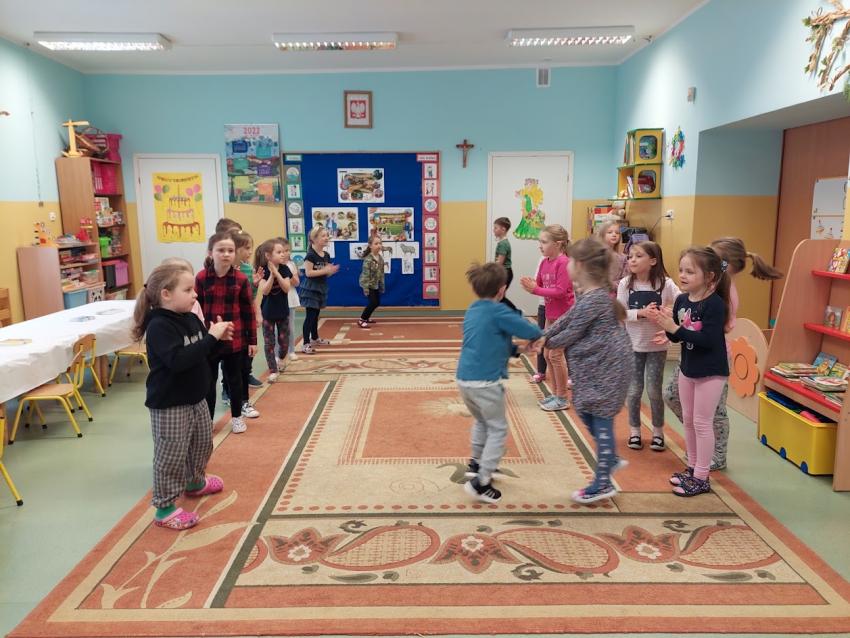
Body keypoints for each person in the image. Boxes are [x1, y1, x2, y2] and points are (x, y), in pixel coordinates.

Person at [662, 237, 783, 470]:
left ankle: (716, 455)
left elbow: (717, 329)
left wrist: (678, 328)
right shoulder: (693, 294)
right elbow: (686, 321)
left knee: (712, 415)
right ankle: (700, 448)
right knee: (677, 400)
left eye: (709, 260)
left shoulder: (720, 295)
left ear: (716, 269)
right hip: (691, 353)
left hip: (712, 359)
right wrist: (671, 325)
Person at [132, 262, 233, 530]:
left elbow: (201, 353)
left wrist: (217, 341)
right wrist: (210, 339)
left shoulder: (190, 318)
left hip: (196, 398)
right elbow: (178, 361)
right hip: (170, 403)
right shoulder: (159, 326)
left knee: (201, 444)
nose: (195, 294)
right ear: (166, 294)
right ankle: (164, 508)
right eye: (187, 290)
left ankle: (194, 481)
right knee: (171, 454)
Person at [543, 239, 633, 504]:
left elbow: (570, 332)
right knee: (584, 408)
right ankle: (611, 458)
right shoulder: (589, 295)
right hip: (597, 366)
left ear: (580, 265)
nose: (567, 264)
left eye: (570, 260)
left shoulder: (595, 299)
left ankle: (602, 483)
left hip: (609, 368)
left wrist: (543, 341)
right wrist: (542, 335)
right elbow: (567, 320)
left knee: (601, 418)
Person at [457, 262, 543, 504]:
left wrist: (518, 350)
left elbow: (489, 340)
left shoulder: (473, 309)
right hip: (486, 383)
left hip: (464, 380)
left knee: (482, 421)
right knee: (498, 428)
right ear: (502, 289)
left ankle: (476, 463)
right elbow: (529, 330)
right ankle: (481, 482)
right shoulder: (499, 311)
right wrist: (539, 337)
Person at [652, 246, 731, 497]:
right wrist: (666, 326)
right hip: (688, 368)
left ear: (709, 276)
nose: (683, 276)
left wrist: (674, 328)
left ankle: (702, 477)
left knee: (702, 423)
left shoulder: (715, 304)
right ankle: (693, 468)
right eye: (681, 270)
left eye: (690, 272)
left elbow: (707, 340)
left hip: (711, 371)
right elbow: (677, 338)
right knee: (688, 420)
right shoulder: (682, 300)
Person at [617, 241, 680, 452]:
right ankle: (635, 431)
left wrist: (670, 314)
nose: (632, 260)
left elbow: (684, 304)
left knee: (654, 391)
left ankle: (658, 433)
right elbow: (619, 313)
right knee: (634, 391)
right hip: (632, 347)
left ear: (653, 261)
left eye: (638, 256)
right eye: (630, 256)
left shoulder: (666, 283)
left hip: (656, 348)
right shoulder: (626, 283)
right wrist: (642, 313)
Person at [195, 231, 259, 433]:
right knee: (209, 381)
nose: (226, 254)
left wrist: (252, 340)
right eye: (220, 250)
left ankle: (237, 417)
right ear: (210, 252)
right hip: (210, 339)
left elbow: (248, 311)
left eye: (230, 250)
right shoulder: (202, 277)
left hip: (235, 338)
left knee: (235, 380)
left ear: (235, 253)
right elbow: (197, 309)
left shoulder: (241, 279)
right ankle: (208, 420)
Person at [519, 224, 575, 411]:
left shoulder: (564, 262)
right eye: (540, 242)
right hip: (551, 315)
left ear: (558, 244)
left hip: (564, 316)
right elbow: (541, 285)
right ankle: (556, 394)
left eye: (544, 242)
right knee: (546, 354)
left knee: (555, 355)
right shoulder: (545, 262)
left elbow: (560, 291)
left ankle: (562, 398)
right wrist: (531, 284)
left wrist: (535, 289)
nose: (540, 246)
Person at [255, 238, 292, 382]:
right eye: (279, 252)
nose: (283, 254)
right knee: (269, 343)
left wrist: (277, 273)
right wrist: (271, 274)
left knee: (284, 342)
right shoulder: (262, 270)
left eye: (283, 251)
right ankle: (273, 370)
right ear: (268, 256)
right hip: (268, 313)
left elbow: (286, 288)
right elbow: (265, 291)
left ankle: (281, 358)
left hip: (282, 312)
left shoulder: (285, 269)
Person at [298, 226, 339, 354]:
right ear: (314, 239)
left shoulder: (326, 255)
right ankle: (305, 343)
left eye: (327, 235)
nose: (326, 238)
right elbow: (309, 273)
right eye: (323, 236)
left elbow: (326, 273)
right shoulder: (310, 255)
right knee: (310, 316)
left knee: (316, 315)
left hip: (320, 287)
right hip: (310, 289)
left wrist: (331, 271)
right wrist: (325, 270)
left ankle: (315, 338)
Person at [358, 235, 385, 328]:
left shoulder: (380, 258)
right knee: (373, 302)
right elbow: (365, 274)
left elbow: (381, 274)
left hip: (375, 284)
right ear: (370, 246)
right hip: (368, 284)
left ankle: (367, 317)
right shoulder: (368, 259)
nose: (379, 245)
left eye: (380, 243)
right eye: (376, 244)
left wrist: (381, 286)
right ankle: (362, 319)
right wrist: (365, 288)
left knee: (377, 302)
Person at [493, 217, 517, 311]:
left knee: (499, 297)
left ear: (503, 229)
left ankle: (515, 312)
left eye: (496, 228)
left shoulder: (503, 244)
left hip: (505, 273)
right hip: (504, 272)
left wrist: (489, 269)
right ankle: (507, 314)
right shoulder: (503, 242)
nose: (493, 230)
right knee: (499, 296)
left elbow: (500, 262)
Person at [596, 219, 627, 287]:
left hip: (616, 290)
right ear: (602, 235)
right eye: (610, 232)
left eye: (617, 233)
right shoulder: (597, 255)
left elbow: (625, 279)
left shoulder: (623, 257)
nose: (614, 235)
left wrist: (613, 285)